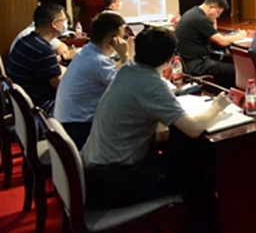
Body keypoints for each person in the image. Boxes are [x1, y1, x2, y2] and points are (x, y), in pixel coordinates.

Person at [81, 27, 230, 212]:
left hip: (97, 169)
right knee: (198, 176)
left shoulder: (128, 68)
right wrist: (218, 106)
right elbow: (193, 129)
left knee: (185, 158)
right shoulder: (151, 84)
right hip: (112, 180)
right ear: (170, 58)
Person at [54, 13, 133, 149]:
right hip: (80, 130)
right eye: (122, 36)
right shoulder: (99, 61)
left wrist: (124, 59)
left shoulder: (86, 52)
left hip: (66, 124)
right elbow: (127, 89)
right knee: (135, 127)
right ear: (112, 40)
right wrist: (125, 56)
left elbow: (112, 74)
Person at [175, 0, 246, 88]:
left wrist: (213, 20)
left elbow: (213, 33)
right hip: (197, 65)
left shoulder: (193, 13)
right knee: (237, 71)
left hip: (189, 62)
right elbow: (223, 42)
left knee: (229, 61)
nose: (218, 16)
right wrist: (240, 35)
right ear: (211, 7)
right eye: (218, 13)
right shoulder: (200, 19)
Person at [7, 3, 68, 113]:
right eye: (63, 21)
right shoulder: (43, 49)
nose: (65, 24)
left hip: (23, 106)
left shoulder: (24, 40)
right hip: (41, 107)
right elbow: (60, 84)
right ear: (54, 24)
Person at [10, 21, 74, 62]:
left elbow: (61, 47)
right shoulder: (38, 42)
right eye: (63, 20)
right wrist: (64, 56)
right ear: (54, 24)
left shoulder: (27, 36)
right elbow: (59, 79)